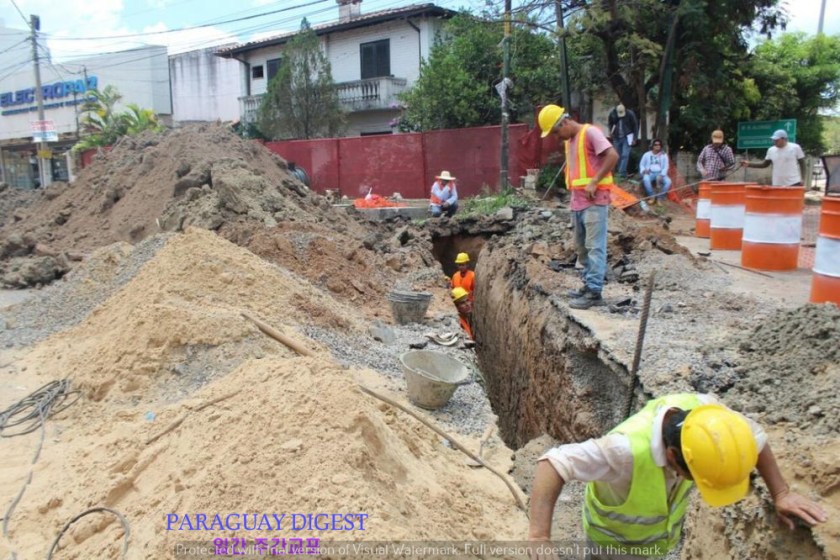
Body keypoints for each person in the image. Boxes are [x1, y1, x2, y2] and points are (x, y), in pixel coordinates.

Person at [528, 393, 827, 560]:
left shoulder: (712, 419)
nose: (695, 485)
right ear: (672, 457)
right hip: (611, 544)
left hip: (657, 544)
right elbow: (554, 463)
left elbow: (755, 439)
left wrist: (781, 493)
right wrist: (539, 537)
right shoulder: (625, 451)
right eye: (693, 478)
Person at [538, 104, 618, 310]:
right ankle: (587, 284)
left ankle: (594, 291)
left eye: (556, 132)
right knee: (582, 248)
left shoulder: (590, 133)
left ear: (564, 122)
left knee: (594, 246)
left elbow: (612, 156)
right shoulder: (570, 141)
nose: (557, 137)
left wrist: (594, 181)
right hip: (578, 202)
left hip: (594, 201)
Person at [740, 129, 806, 186]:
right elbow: (764, 164)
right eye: (773, 140)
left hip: (793, 183)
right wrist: (749, 164)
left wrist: (803, 179)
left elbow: (802, 164)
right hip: (777, 184)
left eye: (777, 140)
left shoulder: (795, 148)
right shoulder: (771, 150)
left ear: (784, 139)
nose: (774, 142)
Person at [607, 103, 638, 178]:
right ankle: (621, 172)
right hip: (616, 137)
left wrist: (634, 138)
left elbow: (635, 126)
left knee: (625, 155)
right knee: (618, 155)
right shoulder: (613, 114)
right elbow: (610, 123)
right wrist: (611, 131)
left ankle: (621, 172)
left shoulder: (630, 114)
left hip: (627, 137)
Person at [639, 139, 672, 204]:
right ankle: (652, 196)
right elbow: (641, 164)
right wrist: (643, 170)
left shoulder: (664, 155)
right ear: (652, 146)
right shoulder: (646, 154)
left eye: (659, 145)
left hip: (660, 173)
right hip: (650, 173)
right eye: (656, 144)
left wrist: (662, 174)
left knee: (668, 182)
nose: (658, 146)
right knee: (646, 179)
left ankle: (660, 198)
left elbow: (666, 166)